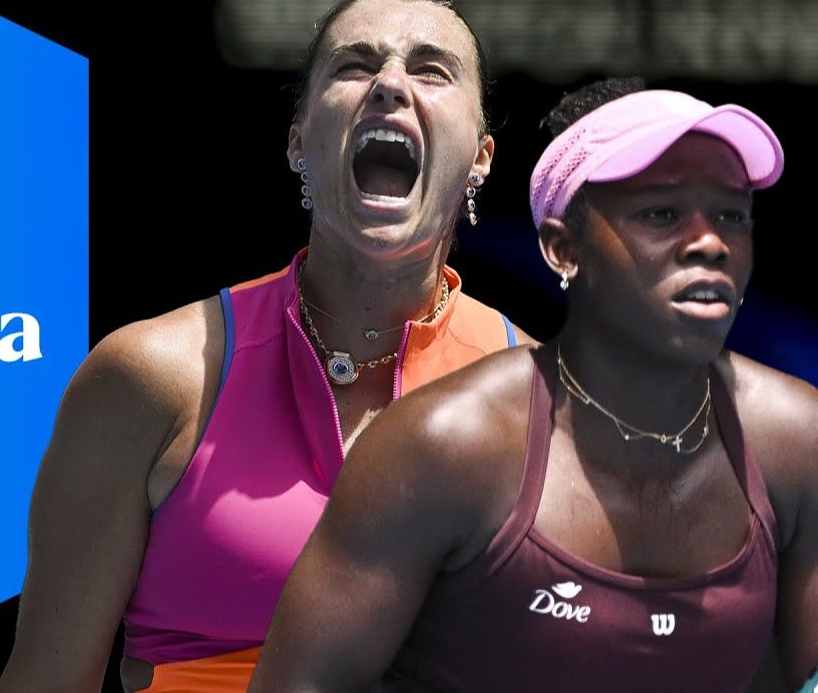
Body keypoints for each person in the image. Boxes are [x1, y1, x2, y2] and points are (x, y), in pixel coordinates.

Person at [0, 0, 533, 693]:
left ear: (481, 157)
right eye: (354, 65)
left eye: (432, 71)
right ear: (298, 143)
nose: (390, 85)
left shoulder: (549, 407)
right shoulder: (150, 375)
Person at [248, 78, 818, 692]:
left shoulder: (798, 442)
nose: (710, 243)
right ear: (562, 249)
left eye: (732, 215)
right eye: (661, 213)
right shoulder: (443, 444)